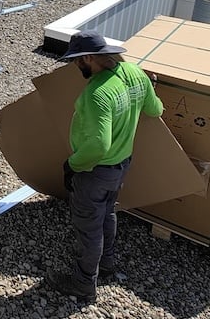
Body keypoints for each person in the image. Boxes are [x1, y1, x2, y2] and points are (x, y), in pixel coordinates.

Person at [47, 30, 162, 301]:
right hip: (121, 165)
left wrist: (72, 165)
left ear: (89, 57)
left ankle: (83, 283)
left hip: (95, 171)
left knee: (89, 226)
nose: (76, 66)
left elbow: (99, 144)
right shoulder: (135, 74)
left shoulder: (97, 93)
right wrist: (149, 88)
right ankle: (107, 263)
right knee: (108, 212)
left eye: (77, 61)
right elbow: (155, 110)